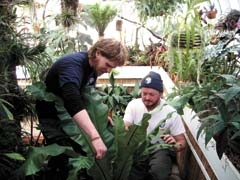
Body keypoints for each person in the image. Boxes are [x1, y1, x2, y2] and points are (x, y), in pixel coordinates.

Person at [35, 38, 128, 179]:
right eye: (108, 65)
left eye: (112, 68)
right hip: (53, 118)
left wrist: (102, 116)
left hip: (71, 116)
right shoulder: (73, 65)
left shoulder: (93, 68)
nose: (108, 70)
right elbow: (72, 100)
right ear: (97, 53)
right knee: (64, 158)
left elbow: (87, 96)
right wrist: (95, 137)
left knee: (84, 158)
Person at [124, 71, 187, 180]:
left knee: (159, 173)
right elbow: (125, 126)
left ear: (161, 94)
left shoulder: (170, 112)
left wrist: (174, 143)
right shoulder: (133, 105)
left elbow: (182, 142)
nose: (147, 97)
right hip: (137, 148)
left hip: (159, 148)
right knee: (130, 172)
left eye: (152, 94)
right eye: (144, 93)